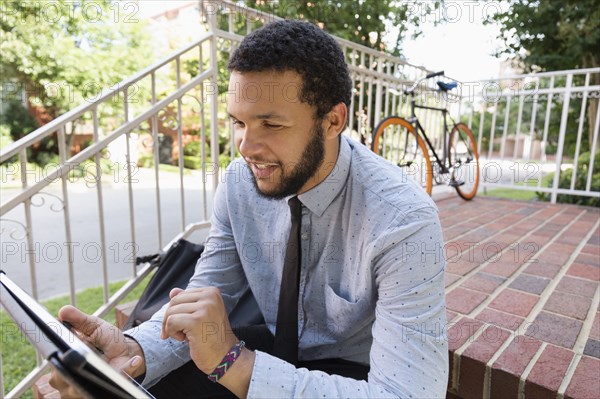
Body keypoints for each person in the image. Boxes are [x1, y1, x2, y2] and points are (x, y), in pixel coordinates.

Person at [50, 19, 448, 398]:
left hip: (349, 369)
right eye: (239, 122)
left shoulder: (403, 221)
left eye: (270, 125)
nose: (245, 146)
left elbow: (406, 393)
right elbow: (211, 290)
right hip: (272, 344)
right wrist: (136, 349)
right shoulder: (240, 183)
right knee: (123, 387)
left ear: (332, 120)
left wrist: (234, 365)